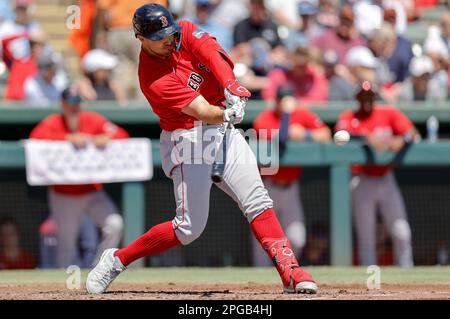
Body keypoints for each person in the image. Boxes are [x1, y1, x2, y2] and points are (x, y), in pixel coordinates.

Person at [86, 3, 317, 295]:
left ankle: (291, 272)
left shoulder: (183, 31)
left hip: (222, 131)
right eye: (160, 38)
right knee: (188, 228)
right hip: (187, 139)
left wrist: (231, 86)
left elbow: (213, 54)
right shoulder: (153, 78)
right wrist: (226, 114)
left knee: (258, 200)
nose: (169, 40)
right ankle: (116, 260)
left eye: (170, 33)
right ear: (141, 39)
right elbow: (201, 111)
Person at [29, 85, 127, 268]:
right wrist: (67, 139)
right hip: (63, 194)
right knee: (66, 248)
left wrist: (106, 138)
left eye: (78, 102)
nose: (75, 107)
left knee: (115, 224)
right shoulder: (53, 122)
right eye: (71, 103)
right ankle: (68, 290)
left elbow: (120, 133)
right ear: (63, 104)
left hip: (92, 191)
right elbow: (35, 141)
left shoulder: (91, 119)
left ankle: (100, 268)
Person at [335, 81, 419, 268]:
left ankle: (407, 274)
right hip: (362, 180)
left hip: (386, 179)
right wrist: (365, 136)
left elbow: (412, 133)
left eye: (370, 96)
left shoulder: (388, 113)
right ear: (357, 98)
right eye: (363, 96)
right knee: (366, 236)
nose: (367, 100)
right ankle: (370, 284)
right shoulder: (349, 117)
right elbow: (339, 135)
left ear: (375, 97)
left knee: (401, 231)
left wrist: (401, 139)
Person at [252, 84, 331, 266]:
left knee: (297, 239)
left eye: (288, 99)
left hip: (291, 188)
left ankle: (287, 272)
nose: (286, 103)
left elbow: (326, 134)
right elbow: (282, 139)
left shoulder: (302, 115)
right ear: (276, 101)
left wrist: (306, 135)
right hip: (267, 187)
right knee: (262, 244)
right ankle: (258, 286)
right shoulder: (264, 119)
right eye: (282, 99)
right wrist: (287, 116)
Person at [95, 0, 169, 99]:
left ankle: (123, 107)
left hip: (118, 29)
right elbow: (160, 8)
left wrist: (101, 30)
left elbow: (102, 7)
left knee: (120, 71)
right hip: (144, 29)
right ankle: (142, 109)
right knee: (144, 70)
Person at [262, 46, 328, 104]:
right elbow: (268, 100)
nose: (301, 65)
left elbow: (320, 101)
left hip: (309, 115)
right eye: (299, 62)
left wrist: (296, 103)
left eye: (305, 62)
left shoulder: (316, 76)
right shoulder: (277, 75)